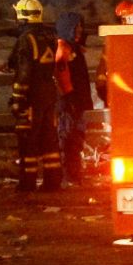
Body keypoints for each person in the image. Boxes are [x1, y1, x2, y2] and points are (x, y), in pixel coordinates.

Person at [7, 0, 62, 192]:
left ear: (21, 16)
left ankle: (28, 183)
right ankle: (52, 181)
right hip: (49, 94)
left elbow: (24, 72)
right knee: (49, 139)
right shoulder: (49, 37)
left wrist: (18, 99)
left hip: (32, 96)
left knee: (28, 139)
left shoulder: (25, 39)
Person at [54, 12, 93, 187]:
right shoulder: (64, 49)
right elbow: (62, 74)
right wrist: (69, 97)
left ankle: (74, 176)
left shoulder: (74, 49)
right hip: (70, 103)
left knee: (75, 139)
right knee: (68, 139)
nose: (80, 30)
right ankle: (69, 176)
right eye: (76, 27)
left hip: (76, 102)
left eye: (80, 27)